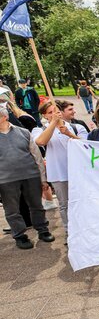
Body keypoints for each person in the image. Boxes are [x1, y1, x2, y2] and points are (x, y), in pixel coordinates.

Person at [0, 105, 54, 249]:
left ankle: (43, 230)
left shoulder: (24, 132)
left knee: (37, 205)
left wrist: (43, 179)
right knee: (12, 210)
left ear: (4, 117)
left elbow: (37, 156)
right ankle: (20, 236)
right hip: (5, 180)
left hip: (31, 176)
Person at [33, 101, 88, 230]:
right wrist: (53, 123)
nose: (54, 114)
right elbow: (40, 142)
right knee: (65, 204)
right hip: (59, 173)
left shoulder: (76, 127)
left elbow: (87, 146)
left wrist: (69, 134)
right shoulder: (39, 130)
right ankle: (70, 231)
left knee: (83, 201)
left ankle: (86, 228)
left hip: (79, 171)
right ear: (44, 116)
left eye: (56, 111)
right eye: (50, 112)